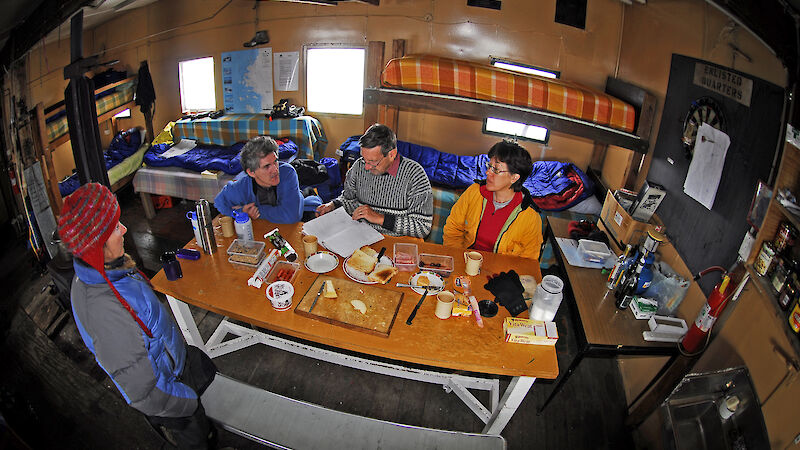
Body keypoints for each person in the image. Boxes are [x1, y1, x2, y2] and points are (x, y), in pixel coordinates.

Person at [58, 183, 217, 449]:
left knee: (205, 420)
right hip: (171, 395)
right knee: (196, 439)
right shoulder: (104, 311)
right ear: (96, 247)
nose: (124, 229)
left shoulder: (105, 270)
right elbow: (146, 393)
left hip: (174, 367)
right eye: (114, 228)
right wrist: (186, 403)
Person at [316, 124, 433, 238]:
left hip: (394, 240)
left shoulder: (415, 174)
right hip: (360, 235)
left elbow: (423, 227)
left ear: (392, 154)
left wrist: (380, 218)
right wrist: (333, 205)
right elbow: (349, 201)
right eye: (364, 159)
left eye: (373, 162)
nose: (366, 167)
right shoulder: (359, 166)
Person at [443, 140, 543, 260]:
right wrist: (458, 257)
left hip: (501, 271)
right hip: (465, 260)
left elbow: (529, 259)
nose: (487, 172)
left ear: (514, 177)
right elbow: (453, 228)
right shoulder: (474, 192)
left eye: (496, 170)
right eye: (489, 166)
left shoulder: (530, 216)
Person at [214, 135, 322, 223]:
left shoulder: (287, 172)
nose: (275, 169)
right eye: (266, 166)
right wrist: (240, 212)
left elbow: (292, 216)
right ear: (251, 172)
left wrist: (258, 211)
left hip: (294, 221)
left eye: (275, 161)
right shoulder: (241, 186)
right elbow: (219, 202)